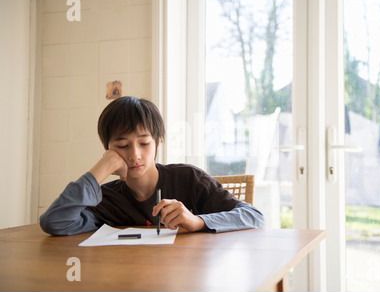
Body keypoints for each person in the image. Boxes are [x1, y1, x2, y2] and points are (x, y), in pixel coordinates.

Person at [40, 97, 264, 236]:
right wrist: (101, 168)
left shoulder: (189, 178)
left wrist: (197, 221)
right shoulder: (104, 199)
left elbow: (253, 216)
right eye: (122, 145)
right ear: (107, 147)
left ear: (157, 143)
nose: (135, 155)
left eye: (144, 143)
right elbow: (55, 222)